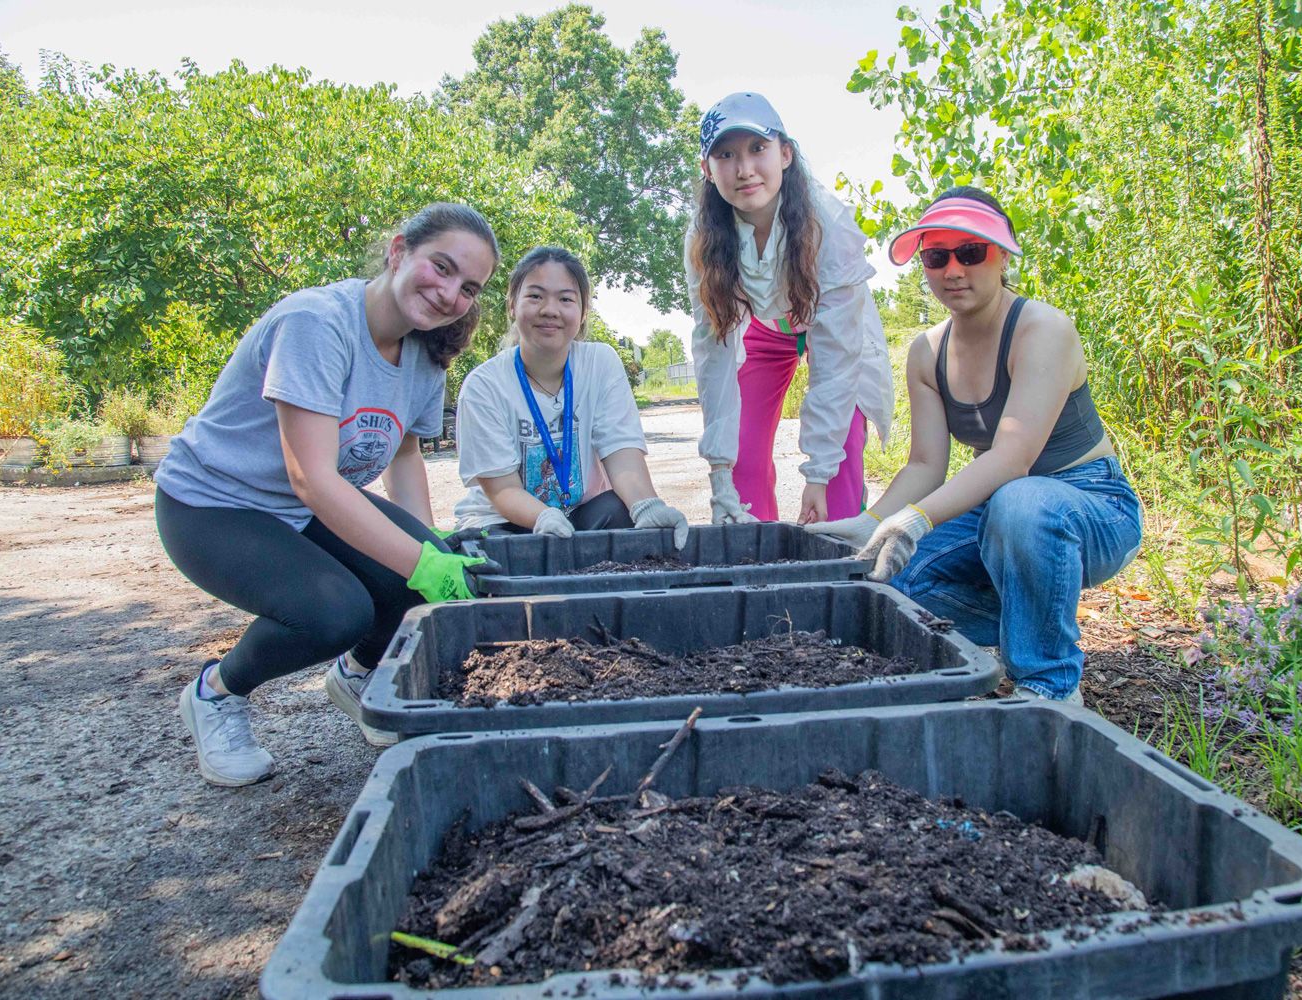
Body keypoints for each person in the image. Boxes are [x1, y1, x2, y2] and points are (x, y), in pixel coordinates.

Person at [155, 202, 499, 786]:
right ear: (398, 251)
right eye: (440, 267)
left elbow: (405, 456)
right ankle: (217, 691)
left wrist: (427, 553)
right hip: (213, 503)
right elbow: (310, 478)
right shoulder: (318, 322)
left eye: (468, 288)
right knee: (337, 611)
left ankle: (359, 674)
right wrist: (420, 561)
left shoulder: (426, 352)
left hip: (302, 502)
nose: (449, 295)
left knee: (415, 578)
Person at [806, 188, 1142, 704]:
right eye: (937, 257)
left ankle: (1049, 685)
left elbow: (1013, 458)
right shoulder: (927, 352)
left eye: (971, 252)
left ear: (1003, 254)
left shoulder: (1043, 329)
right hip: (1000, 510)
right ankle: (1027, 622)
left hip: (1089, 503)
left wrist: (918, 520)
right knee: (890, 584)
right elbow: (925, 465)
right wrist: (873, 524)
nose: (953, 271)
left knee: (1022, 501)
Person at [686, 92, 895, 526]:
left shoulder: (829, 225)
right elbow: (714, 352)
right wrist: (720, 471)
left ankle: (838, 566)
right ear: (707, 170)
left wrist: (817, 474)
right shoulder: (702, 240)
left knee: (837, 474)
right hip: (763, 331)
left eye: (757, 149)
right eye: (725, 155)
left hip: (830, 326)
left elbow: (836, 362)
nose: (744, 170)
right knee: (740, 465)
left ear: (785, 153)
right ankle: (754, 564)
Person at [453, 246, 689, 547]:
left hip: (578, 513)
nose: (550, 309)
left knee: (621, 511)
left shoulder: (600, 363)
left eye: (565, 299)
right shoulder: (484, 387)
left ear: (583, 312)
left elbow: (621, 452)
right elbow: (502, 490)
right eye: (535, 296)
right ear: (512, 305)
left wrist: (646, 505)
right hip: (504, 522)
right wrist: (543, 517)